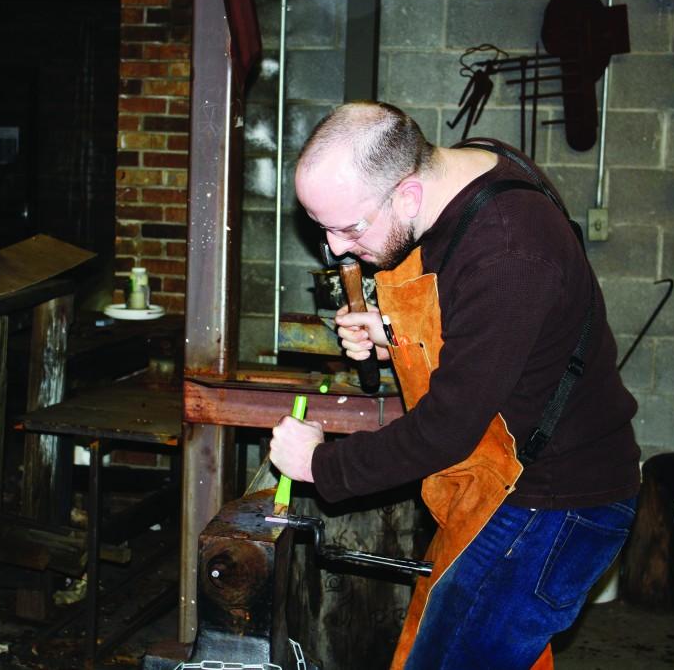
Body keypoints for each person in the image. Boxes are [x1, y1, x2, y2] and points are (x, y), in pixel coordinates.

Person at [269, 101, 640, 670]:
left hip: (554, 504)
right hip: (509, 485)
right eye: (323, 228)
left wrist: (322, 466)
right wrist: (393, 329)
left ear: (407, 195)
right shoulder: (470, 168)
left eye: (349, 227)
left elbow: (447, 429)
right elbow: (483, 324)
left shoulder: (511, 252)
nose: (337, 248)